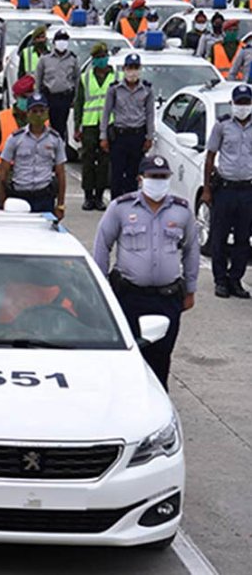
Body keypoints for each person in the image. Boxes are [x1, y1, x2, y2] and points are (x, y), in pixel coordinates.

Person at [93, 155, 199, 390]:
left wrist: (190, 288)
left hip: (167, 298)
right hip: (130, 296)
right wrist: (101, 290)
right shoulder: (121, 207)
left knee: (162, 356)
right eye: (153, 176)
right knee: (129, 354)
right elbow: (102, 245)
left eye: (163, 177)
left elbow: (192, 250)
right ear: (141, 179)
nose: (158, 181)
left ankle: (158, 400)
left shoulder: (181, 211)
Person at [202, 83, 252, 298]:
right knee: (219, 237)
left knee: (243, 238)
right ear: (233, 104)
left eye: (246, 102)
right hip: (225, 188)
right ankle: (220, 280)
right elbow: (210, 157)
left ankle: (236, 280)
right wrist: (206, 189)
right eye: (239, 102)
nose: (242, 106)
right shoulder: (222, 125)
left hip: (247, 190)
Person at [0, 93, 67, 217]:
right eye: (34, 111)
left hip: (44, 197)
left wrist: (60, 205)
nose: (38, 115)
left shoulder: (55, 139)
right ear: (27, 113)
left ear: (47, 112)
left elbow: (61, 173)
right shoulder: (15, 139)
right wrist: (2, 205)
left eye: (42, 111)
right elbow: (2, 174)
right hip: (20, 196)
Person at [101, 53, 155, 198]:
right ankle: (115, 206)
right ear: (124, 69)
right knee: (117, 175)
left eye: (136, 67)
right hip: (119, 136)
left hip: (137, 136)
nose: (133, 71)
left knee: (133, 175)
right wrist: (103, 136)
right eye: (130, 67)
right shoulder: (114, 89)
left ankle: (131, 207)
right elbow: (106, 113)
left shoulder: (147, 90)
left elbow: (150, 114)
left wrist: (150, 137)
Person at [75, 43, 116, 210]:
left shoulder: (116, 77)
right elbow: (79, 102)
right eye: (98, 58)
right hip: (89, 124)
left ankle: (99, 197)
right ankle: (88, 197)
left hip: (109, 124)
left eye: (103, 56)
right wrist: (77, 126)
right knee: (88, 161)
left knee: (104, 162)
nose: (101, 60)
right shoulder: (85, 77)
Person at [0, 74, 34, 179]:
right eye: (24, 97)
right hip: (6, 177)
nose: (28, 101)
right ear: (16, 97)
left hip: (34, 177)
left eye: (31, 97)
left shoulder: (43, 120)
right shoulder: (1, 119)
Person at [34, 29, 77, 143]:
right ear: (54, 42)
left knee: (62, 126)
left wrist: (75, 97)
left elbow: (76, 78)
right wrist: (38, 96)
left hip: (65, 97)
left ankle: (59, 148)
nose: (62, 43)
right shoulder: (45, 59)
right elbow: (39, 77)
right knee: (48, 126)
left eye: (64, 40)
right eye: (59, 40)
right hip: (49, 97)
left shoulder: (72, 59)